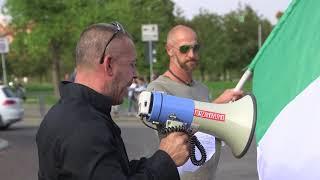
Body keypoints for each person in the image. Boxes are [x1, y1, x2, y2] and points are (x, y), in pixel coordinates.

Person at [36, 22, 190, 180]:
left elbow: (114, 171)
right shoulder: (85, 127)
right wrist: (165, 160)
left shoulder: (70, 112)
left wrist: (164, 155)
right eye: (132, 64)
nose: (134, 74)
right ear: (109, 65)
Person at [147, 25, 243, 180]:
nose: (192, 54)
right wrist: (217, 106)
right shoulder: (158, 89)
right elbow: (176, 132)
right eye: (184, 49)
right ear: (169, 50)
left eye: (195, 48)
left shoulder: (202, 89)